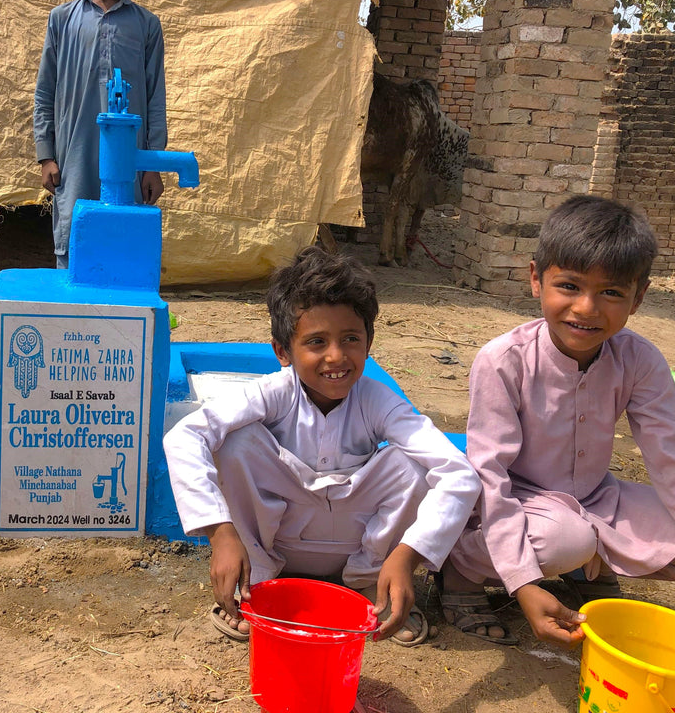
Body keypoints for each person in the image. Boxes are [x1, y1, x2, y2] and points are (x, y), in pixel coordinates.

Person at [440, 195, 675, 649]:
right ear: (537, 279)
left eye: (612, 292)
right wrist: (521, 582)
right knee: (566, 539)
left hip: (597, 498)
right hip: (519, 503)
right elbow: (490, 474)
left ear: (639, 297)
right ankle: (461, 571)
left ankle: (582, 564)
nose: (586, 308)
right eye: (570, 286)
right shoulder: (503, 361)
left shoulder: (639, 360)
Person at [163, 246, 480, 644]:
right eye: (316, 342)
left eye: (350, 338)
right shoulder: (272, 393)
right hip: (280, 548)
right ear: (282, 351)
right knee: (236, 443)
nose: (336, 356)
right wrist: (220, 533)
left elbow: (459, 473)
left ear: (368, 342)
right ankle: (255, 584)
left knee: (412, 464)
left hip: (357, 552)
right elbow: (185, 436)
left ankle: (373, 587)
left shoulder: (378, 400)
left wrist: (408, 555)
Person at [33, 0, 166, 268]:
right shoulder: (62, 20)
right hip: (73, 158)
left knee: (123, 250)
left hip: (128, 163)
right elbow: (45, 92)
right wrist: (46, 154)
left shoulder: (146, 26)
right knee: (73, 243)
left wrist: (152, 163)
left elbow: (155, 98)